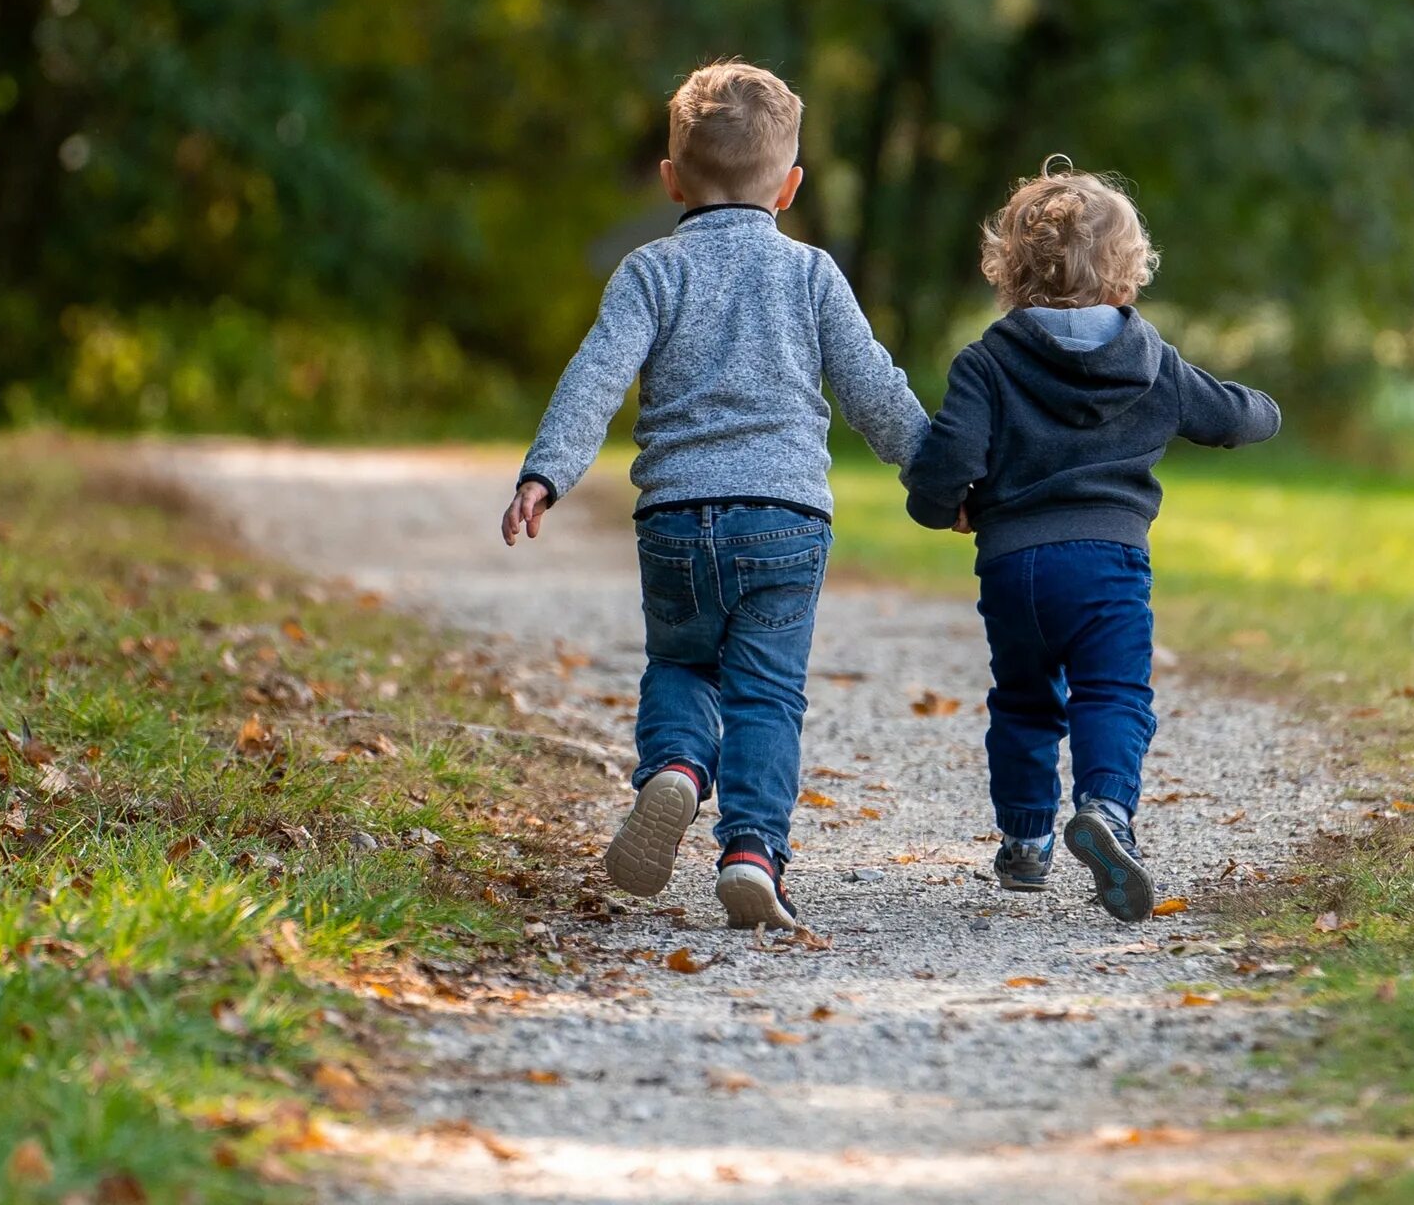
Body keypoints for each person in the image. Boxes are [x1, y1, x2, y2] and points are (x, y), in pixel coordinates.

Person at [501, 60, 927, 929]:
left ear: (670, 180)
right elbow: (872, 388)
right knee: (766, 694)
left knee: (681, 662)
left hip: (674, 520)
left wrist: (546, 472)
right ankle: (752, 853)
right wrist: (938, 473)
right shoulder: (811, 274)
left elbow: (595, 378)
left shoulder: (650, 272)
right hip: (785, 521)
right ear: (792, 186)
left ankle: (678, 768)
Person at [900, 163, 1279, 923]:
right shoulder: (1150, 362)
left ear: (1010, 272)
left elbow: (949, 462)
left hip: (1013, 569)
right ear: (1125, 276)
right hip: (1109, 565)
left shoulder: (987, 361)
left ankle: (1026, 841)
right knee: (1113, 693)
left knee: (1023, 701)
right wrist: (1267, 410)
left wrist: (944, 509)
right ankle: (1106, 810)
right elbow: (1235, 418)